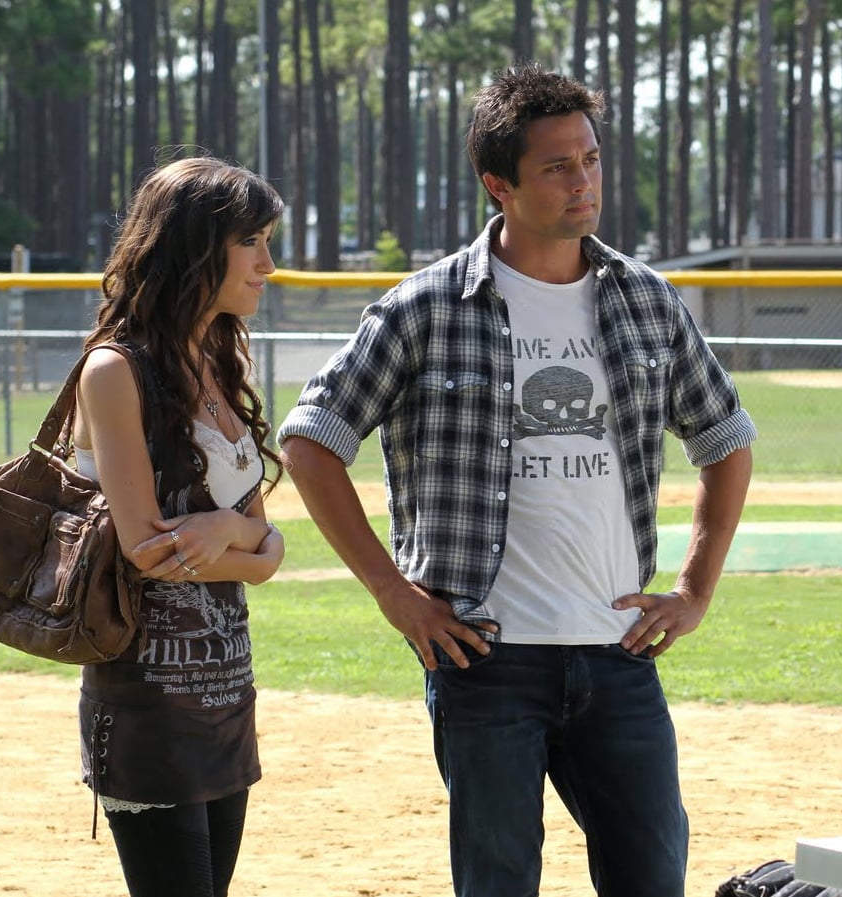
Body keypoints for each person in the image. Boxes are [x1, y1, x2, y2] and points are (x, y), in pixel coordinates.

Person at [277, 62, 756, 897]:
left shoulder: (645, 299)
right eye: (557, 166)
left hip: (618, 652)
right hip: (484, 658)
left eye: (591, 159)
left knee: (652, 878)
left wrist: (693, 590)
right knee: (497, 883)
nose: (583, 183)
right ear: (498, 184)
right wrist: (393, 592)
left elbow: (725, 439)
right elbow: (312, 440)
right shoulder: (425, 308)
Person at [73, 155, 288, 896]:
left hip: (227, 694)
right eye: (249, 242)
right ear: (192, 247)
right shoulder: (115, 370)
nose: (267, 264)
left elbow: (266, 547)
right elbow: (148, 550)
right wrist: (247, 542)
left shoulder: (223, 363)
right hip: (147, 703)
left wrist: (226, 530)